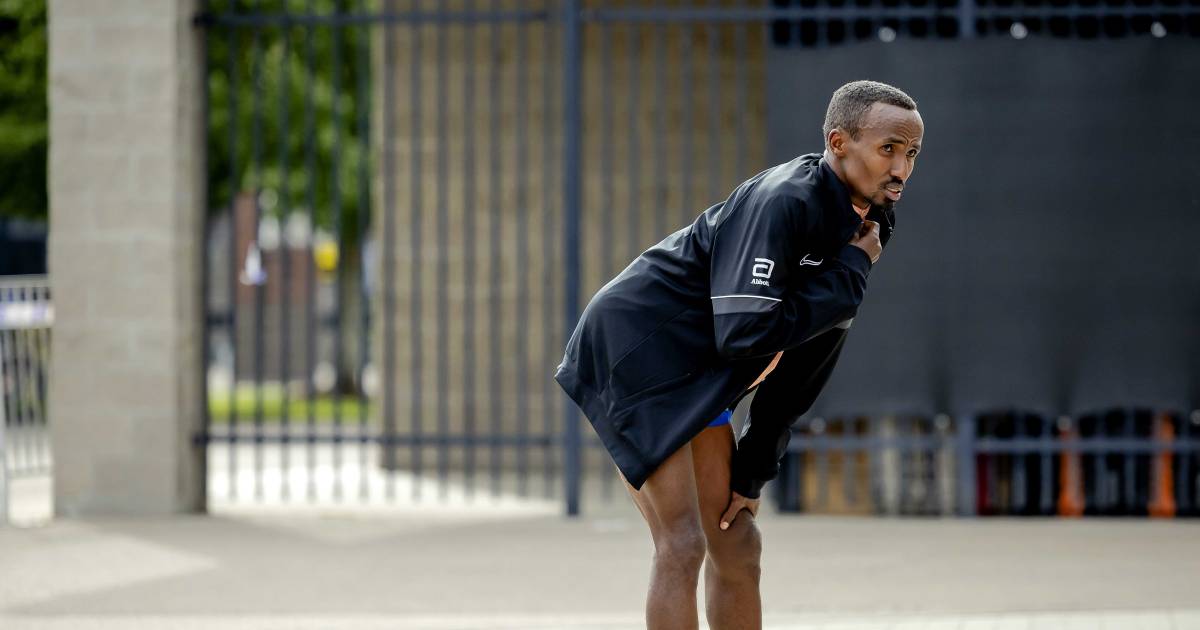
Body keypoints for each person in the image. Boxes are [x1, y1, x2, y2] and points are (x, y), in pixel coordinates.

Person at [554, 80, 923, 629]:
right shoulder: (784, 202)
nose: (900, 168)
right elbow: (746, 333)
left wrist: (755, 466)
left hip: (705, 369)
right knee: (682, 542)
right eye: (887, 148)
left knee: (737, 541)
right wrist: (848, 273)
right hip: (640, 349)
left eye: (911, 153)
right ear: (838, 142)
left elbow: (815, 348)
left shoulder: (871, 221)